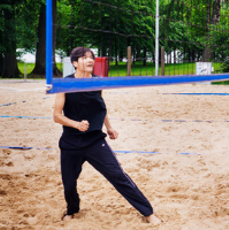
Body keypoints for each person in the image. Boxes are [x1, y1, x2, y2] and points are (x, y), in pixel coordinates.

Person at [53, 47, 162, 224]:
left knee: (117, 175)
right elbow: (57, 116)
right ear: (74, 63)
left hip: (94, 140)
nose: (89, 60)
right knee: (69, 183)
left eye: (91, 57)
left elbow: (100, 107)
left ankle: (148, 213)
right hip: (71, 141)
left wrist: (109, 127)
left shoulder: (97, 82)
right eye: (84, 58)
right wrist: (76, 124)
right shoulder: (64, 84)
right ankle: (72, 209)